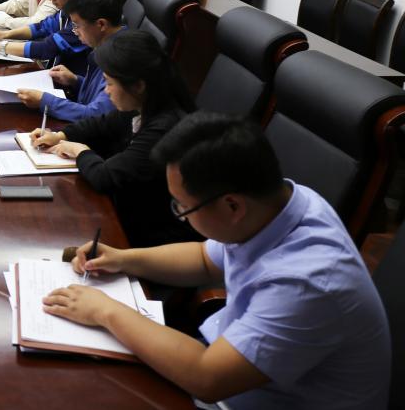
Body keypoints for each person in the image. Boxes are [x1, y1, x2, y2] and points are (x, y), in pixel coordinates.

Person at [46, 113, 391, 410]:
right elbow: (204, 258)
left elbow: (207, 377)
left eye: (182, 207)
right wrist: (123, 259)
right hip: (232, 370)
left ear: (232, 206)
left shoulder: (308, 283)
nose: (181, 215)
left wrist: (104, 310)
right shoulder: (282, 205)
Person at [31, 30, 198, 246]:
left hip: (153, 236)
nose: (107, 92)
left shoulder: (164, 128)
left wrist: (79, 151)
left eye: (109, 83)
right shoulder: (142, 103)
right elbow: (101, 124)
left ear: (138, 85)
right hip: (129, 210)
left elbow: (106, 177)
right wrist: (59, 135)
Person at [15, 0, 121, 122]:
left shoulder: (120, 59)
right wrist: (75, 80)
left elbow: (95, 115)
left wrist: (44, 101)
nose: (75, 32)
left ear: (101, 24)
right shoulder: (104, 47)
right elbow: (97, 96)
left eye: (76, 26)